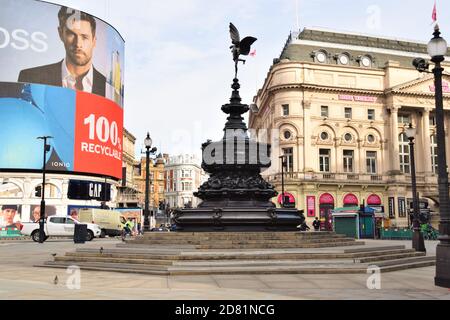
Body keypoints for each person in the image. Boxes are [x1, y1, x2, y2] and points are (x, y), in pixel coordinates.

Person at [18, 7, 106, 96]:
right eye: (71, 34)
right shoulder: (31, 78)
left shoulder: (106, 87)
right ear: (61, 33)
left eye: (84, 37)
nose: (78, 44)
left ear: (94, 41)